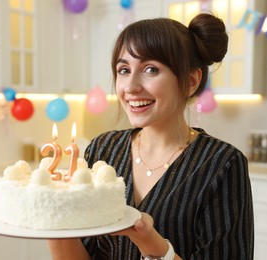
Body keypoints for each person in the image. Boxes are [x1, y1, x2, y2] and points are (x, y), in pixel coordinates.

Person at [49, 13, 254, 260]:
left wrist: (150, 241)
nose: (130, 86)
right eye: (123, 70)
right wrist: (53, 215)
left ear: (190, 81)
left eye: (150, 69)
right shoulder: (103, 150)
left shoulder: (222, 164)